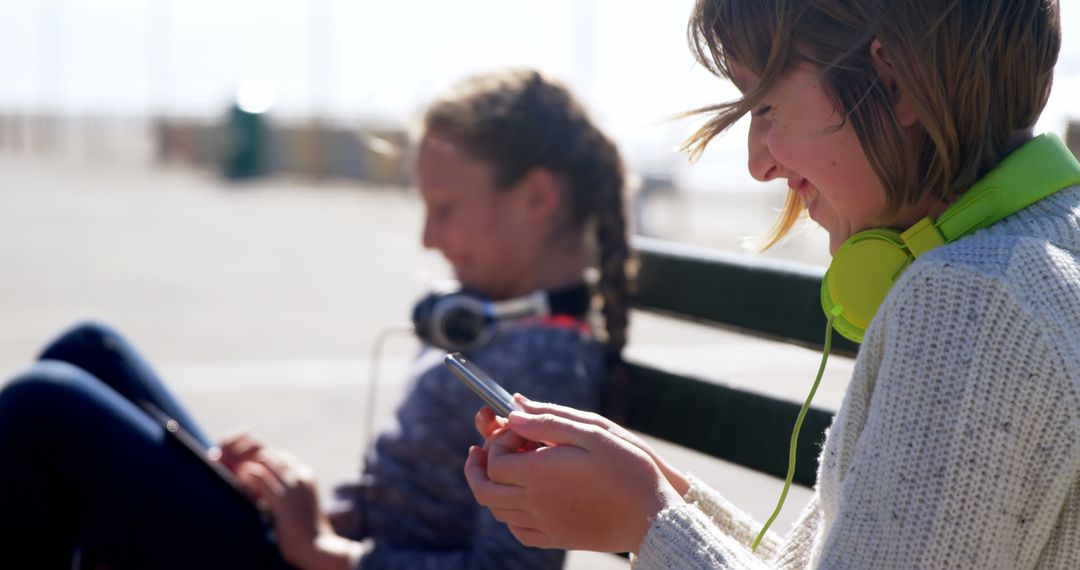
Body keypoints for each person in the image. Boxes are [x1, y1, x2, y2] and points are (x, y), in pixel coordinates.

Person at [465, 1, 1080, 568]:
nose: (760, 164)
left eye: (764, 108)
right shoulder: (1038, 254)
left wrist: (645, 521)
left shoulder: (970, 305)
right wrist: (659, 494)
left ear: (894, 83)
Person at [0, 68, 632, 569]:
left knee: (45, 407)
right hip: (318, 545)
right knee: (88, 349)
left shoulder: (545, 368)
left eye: (445, 208)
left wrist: (330, 553)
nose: (427, 237)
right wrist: (291, 500)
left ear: (537, 199)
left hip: (320, 564)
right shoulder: (493, 324)